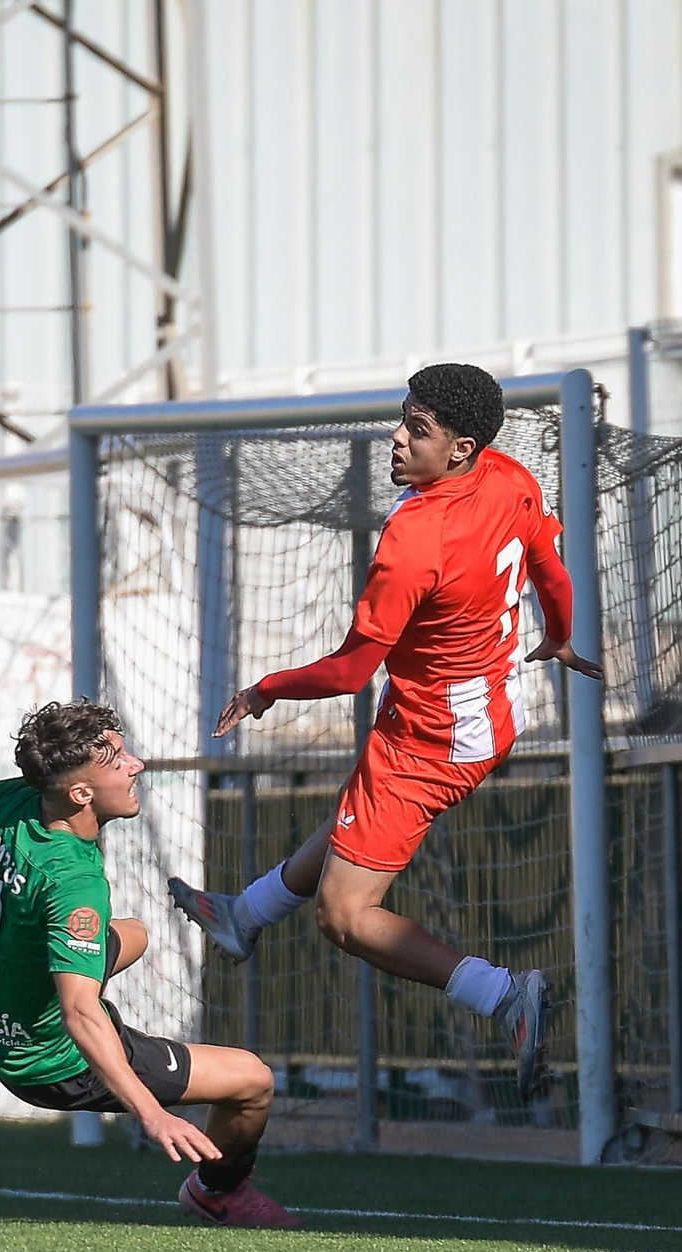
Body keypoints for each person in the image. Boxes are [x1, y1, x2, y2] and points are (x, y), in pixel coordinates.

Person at [168, 363, 602, 1102]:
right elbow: (551, 570)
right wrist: (559, 637)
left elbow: (348, 672)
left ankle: (503, 996)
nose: (398, 438)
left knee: (344, 915)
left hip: (433, 735)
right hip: (483, 704)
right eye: (403, 418)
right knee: (354, 821)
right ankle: (245, 914)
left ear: (461, 447)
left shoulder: (415, 537)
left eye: (418, 429)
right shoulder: (507, 475)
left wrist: (265, 690)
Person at [0, 700, 301, 1230]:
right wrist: (150, 1113)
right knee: (252, 1080)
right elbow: (80, 1015)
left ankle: (69, 966)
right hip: (54, 1063)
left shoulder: (8, 800)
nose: (136, 765)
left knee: (134, 935)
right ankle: (215, 1193)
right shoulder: (74, 886)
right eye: (118, 762)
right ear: (81, 794)